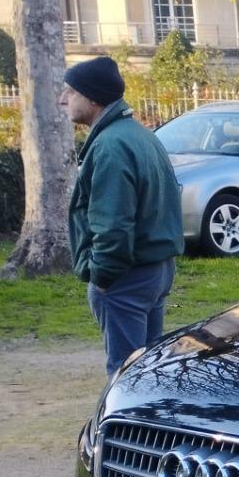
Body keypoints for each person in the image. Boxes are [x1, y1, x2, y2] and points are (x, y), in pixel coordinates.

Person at [60, 55, 183, 375]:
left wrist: (102, 277)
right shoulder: (139, 135)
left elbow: (112, 224)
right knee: (149, 369)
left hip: (127, 276)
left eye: (70, 92)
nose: (63, 99)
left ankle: (129, 426)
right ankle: (157, 424)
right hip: (155, 269)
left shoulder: (111, 145)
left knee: (127, 374)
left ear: (93, 97)